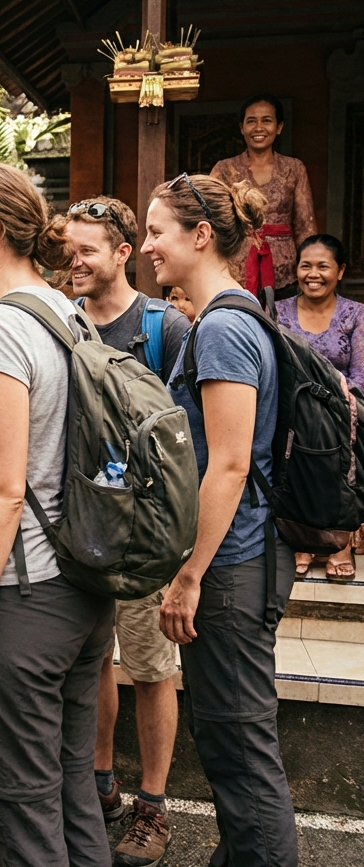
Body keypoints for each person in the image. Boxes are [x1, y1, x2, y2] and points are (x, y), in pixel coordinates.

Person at [0, 163, 115, 867]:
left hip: (25, 599)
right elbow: (54, 437)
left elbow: (7, 492)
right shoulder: (66, 310)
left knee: (21, 816)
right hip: (83, 592)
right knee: (72, 796)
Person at [142, 172, 297, 867]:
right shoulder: (230, 317)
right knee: (230, 744)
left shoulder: (226, 328)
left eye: (155, 231)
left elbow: (229, 464)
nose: (145, 246)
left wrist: (190, 574)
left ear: (200, 235)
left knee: (240, 750)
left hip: (232, 566)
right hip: (237, 560)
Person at [61, 195, 189, 867]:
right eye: (68, 249)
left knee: (151, 665)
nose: (73, 261)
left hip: (143, 533)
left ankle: (154, 803)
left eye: (87, 250)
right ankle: (100, 781)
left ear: (121, 253)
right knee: (96, 659)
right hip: (81, 526)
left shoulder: (165, 325)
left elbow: (185, 439)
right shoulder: (62, 323)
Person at [276, 234, 364, 582]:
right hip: (294, 412)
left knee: (335, 445)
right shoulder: (278, 312)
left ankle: (338, 540)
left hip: (343, 413)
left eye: (323, 266)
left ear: (340, 271)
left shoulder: (356, 315)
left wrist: (329, 406)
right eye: (306, 265)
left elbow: (360, 376)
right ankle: (303, 538)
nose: (313, 274)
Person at [211, 94, 316, 300]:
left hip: (285, 274)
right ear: (242, 128)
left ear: (279, 127)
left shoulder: (294, 168)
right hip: (234, 272)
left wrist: (309, 269)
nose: (258, 127)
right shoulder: (224, 169)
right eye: (251, 121)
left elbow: (306, 227)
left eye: (266, 120)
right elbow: (211, 223)